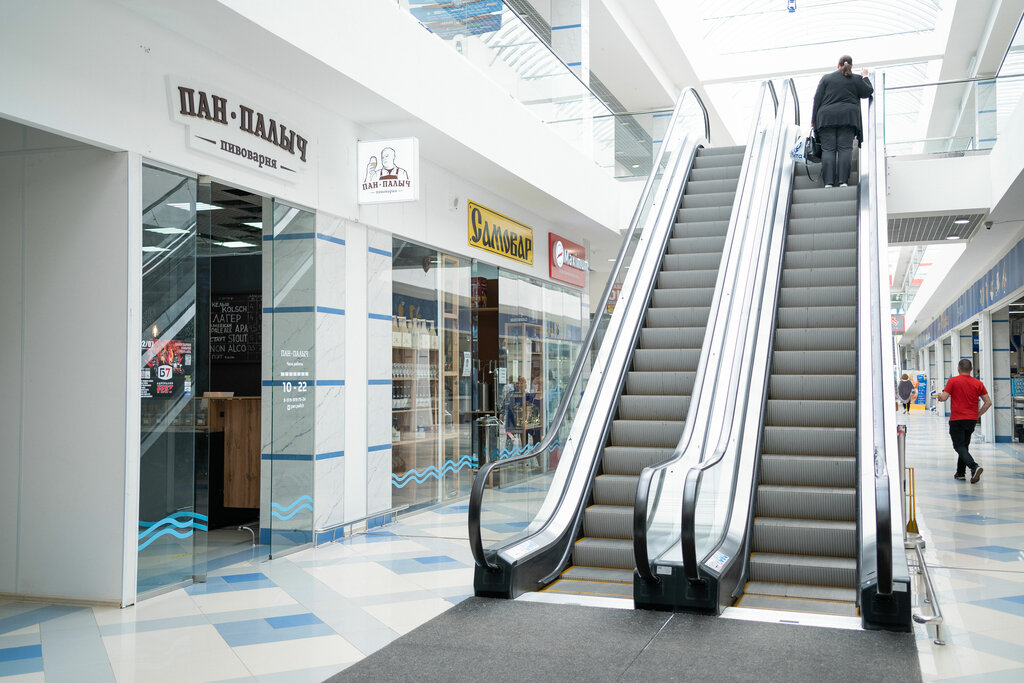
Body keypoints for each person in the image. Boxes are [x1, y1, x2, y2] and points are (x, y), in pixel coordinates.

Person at [811, 55, 873, 188]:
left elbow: (817, 99)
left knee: (828, 150)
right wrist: (865, 76)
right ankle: (843, 181)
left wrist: (813, 120)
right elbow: (868, 91)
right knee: (845, 149)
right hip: (848, 118)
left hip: (826, 119)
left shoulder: (826, 78)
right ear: (852, 66)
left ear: (837, 66)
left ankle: (828, 183)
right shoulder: (856, 79)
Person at [936, 359, 991, 483]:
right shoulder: (978, 383)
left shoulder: (953, 381)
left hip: (957, 419)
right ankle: (960, 473)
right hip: (971, 420)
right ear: (971, 369)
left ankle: (974, 466)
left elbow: (944, 397)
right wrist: (977, 414)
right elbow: (988, 402)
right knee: (964, 446)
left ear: (958, 369)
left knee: (959, 446)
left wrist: (939, 396)